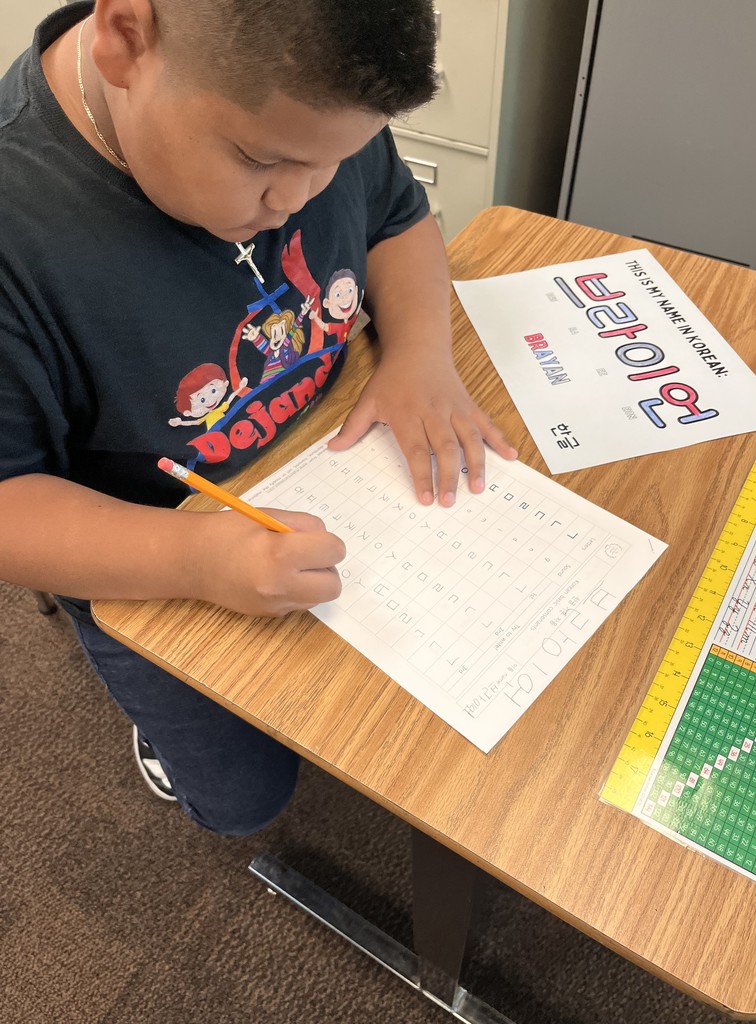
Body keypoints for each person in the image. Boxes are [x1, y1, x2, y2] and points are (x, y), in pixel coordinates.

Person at [0, 0, 516, 834]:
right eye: (259, 160)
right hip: (156, 545)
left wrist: (421, 350)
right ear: (126, 36)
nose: (298, 198)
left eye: (333, 162)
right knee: (246, 802)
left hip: (329, 459)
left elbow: (394, 218)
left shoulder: (312, 96)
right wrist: (194, 558)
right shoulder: (18, 228)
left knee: (410, 734)